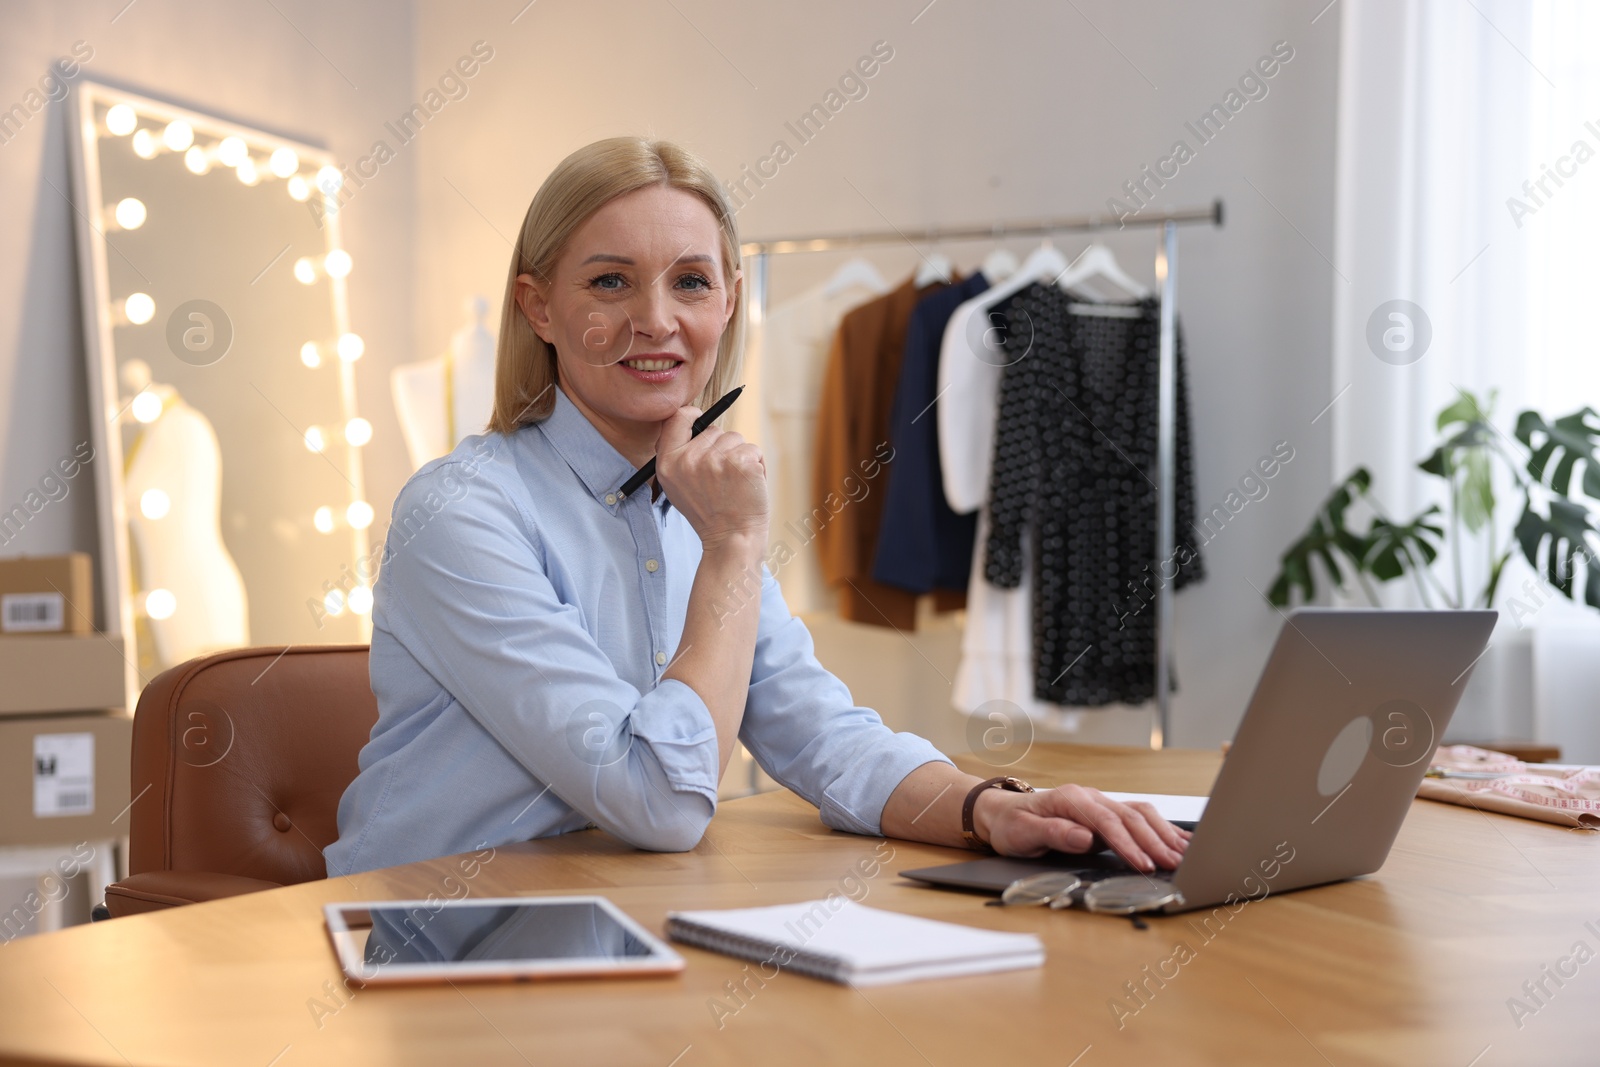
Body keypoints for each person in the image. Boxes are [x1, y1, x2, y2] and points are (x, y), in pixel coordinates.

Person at [324, 136, 1190, 878]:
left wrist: (990, 808)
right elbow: (659, 800)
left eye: (691, 282)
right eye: (611, 282)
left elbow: (821, 734)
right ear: (539, 306)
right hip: (428, 933)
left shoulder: (696, 497)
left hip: (613, 919)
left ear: (730, 299)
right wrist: (736, 546)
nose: (656, 320)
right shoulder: (460, 513)